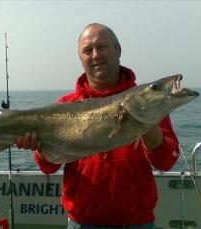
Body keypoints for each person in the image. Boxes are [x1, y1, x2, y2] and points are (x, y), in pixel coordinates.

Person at [16, 23, 180, 229]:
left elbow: (166, 162)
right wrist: (39, 150)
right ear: (80, 57)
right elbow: (48, 167)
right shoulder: (64, 106)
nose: (95, 55)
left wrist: (147, 127)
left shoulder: (147, 102)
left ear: (118, 50)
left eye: (102, 47)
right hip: (81, 223)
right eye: (87, 50)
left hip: (137, 223)